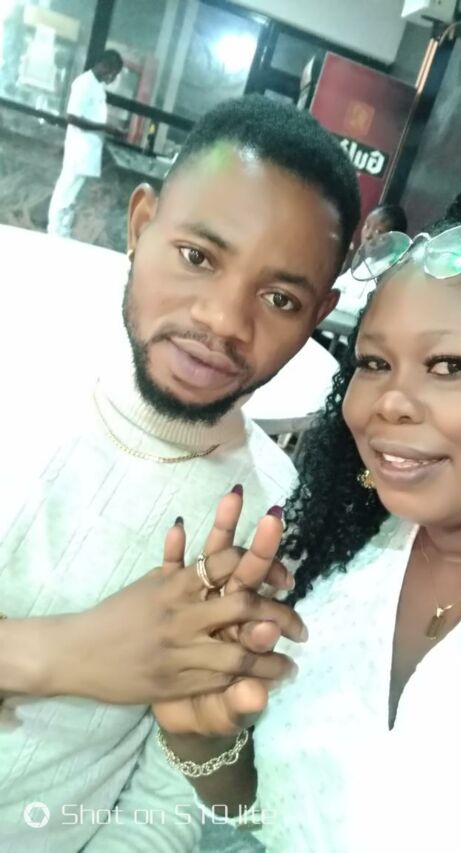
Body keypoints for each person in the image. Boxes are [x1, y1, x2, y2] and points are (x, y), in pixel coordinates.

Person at [156, 156, 461, 852]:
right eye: (374, 363)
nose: (388, 403)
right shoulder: (320, 571)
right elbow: (267, 818)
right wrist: (201, 738)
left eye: (449, 366)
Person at [0, 94, 359, 851]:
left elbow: (163, 807)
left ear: (318, 315)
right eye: (198, 256)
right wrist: (62, 653)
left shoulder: (271, 520)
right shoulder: (17, 371)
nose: (225, 320)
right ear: (140, 225)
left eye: (280, 298)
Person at [46, 49, 124, 238]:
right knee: (66, 189)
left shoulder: (96, 86)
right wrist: (105, 127)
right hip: (79, 148)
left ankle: (62, 230)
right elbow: (72, 117)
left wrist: (106, 128)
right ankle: (54, 229)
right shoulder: (84, 83)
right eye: (114, 73)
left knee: (72, 192)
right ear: (106, 66)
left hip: (88, 150)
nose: (113, 78)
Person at [334, 203, 407, 315]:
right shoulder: (367, 262)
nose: (368, 235)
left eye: (379, 231)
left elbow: (364, 308)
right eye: (367, 226)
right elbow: (338, 285)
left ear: (395, 241)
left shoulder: (391, 273)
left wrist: (333, 299)